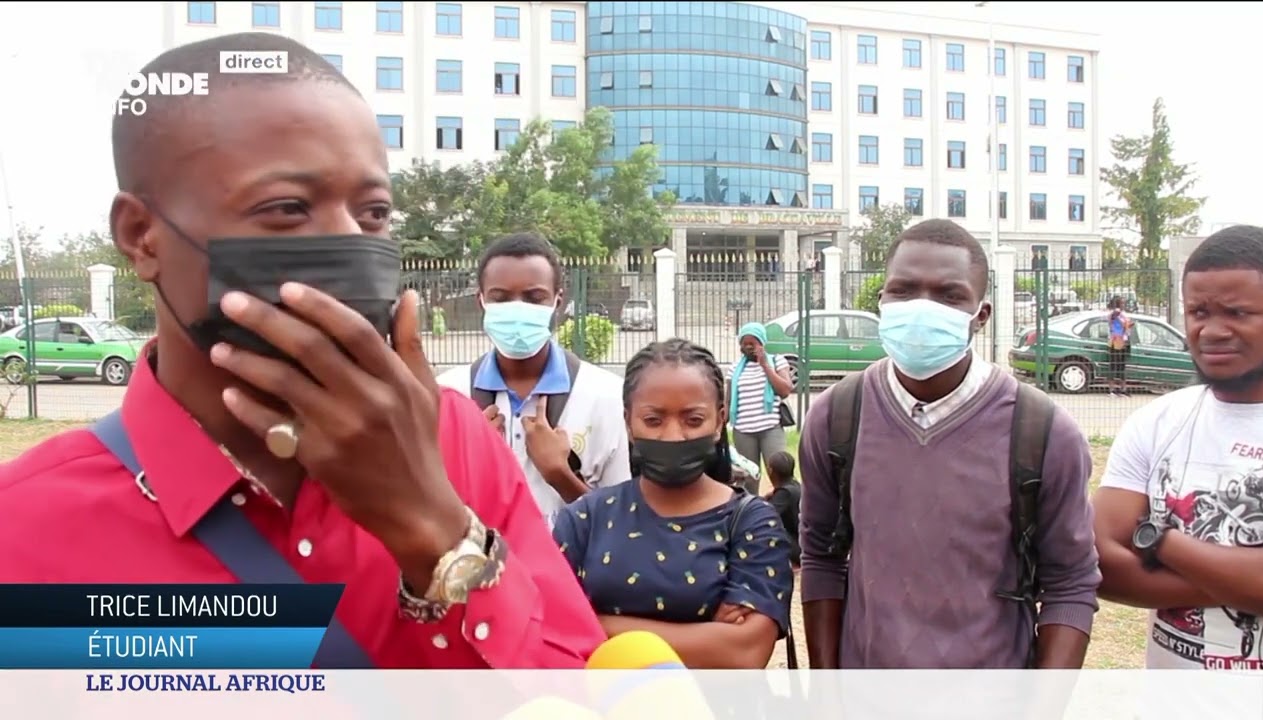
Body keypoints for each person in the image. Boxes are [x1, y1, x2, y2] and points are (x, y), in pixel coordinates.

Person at [0, 33, 603, 668]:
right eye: (287, 208)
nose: (348, 242)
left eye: (373, 213)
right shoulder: (25, 529)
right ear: (141, 235)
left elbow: (573, 686)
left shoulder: (453, 439)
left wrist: (435, 528)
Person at [799, 219, 1100, 669]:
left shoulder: (1044, 433)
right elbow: (821, 560)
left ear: (982, 314)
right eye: (903, 290)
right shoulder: (837, 418)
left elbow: (1071, 584)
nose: (922, 308)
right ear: (882, 300)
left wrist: (1041, 703)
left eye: (949, 295)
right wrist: (828, 692)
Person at [1094, 226, 1263, 679]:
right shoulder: (1157, 422)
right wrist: (1252, 583)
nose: (1211, 331)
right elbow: (1098, 560)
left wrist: (1159, 541)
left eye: (1237, 312)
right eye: (1198, 312)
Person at [552, 339, 793, 669]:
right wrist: (708, 636)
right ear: (628, 423)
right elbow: (552, 630)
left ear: (719, 420)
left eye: (693, 420)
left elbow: (744, 653)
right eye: (653, 420)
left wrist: (596, 624)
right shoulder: (584, 518)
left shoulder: (753, 522)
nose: (673, 436)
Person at [437, 233, 630, 528]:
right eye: (500, 298)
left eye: (534, 298)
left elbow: (621, 525)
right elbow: (424, 513)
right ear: (481, 300)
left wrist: (559, 474)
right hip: (478, 558)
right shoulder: (448, 395)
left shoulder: (607, 396)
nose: (517, 309)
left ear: (558, 301)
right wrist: (470, 464)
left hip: (572, 560)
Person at [727, 322, 794, 495]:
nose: (748, 347)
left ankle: (783, 506)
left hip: (770, 429)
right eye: (745, 343)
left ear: (762, 343)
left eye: (753, 343)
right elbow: (728, 401)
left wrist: (765, 365)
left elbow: (785, 390)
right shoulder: (734, 369)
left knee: (779, 473)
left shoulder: (777, 361)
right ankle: (752, 509)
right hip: (743, 431)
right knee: (749, 477)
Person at [763, 451, 802, 571]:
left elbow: (764, 516)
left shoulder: (785, 493)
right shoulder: (795, 486)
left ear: (770, 471)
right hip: (803, 543)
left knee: (766, 528)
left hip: (798, 549)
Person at [1107, 295, 1133, 397]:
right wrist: (1127, 324)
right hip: (1116, 341)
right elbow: (1123, 325)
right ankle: (1113, 389)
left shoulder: (1121, 314)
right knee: (1115, 365)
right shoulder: (1116, 314)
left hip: (1121, 341)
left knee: (1121, 366)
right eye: (1122, 303)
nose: (1124, 304)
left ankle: (1122, 388)